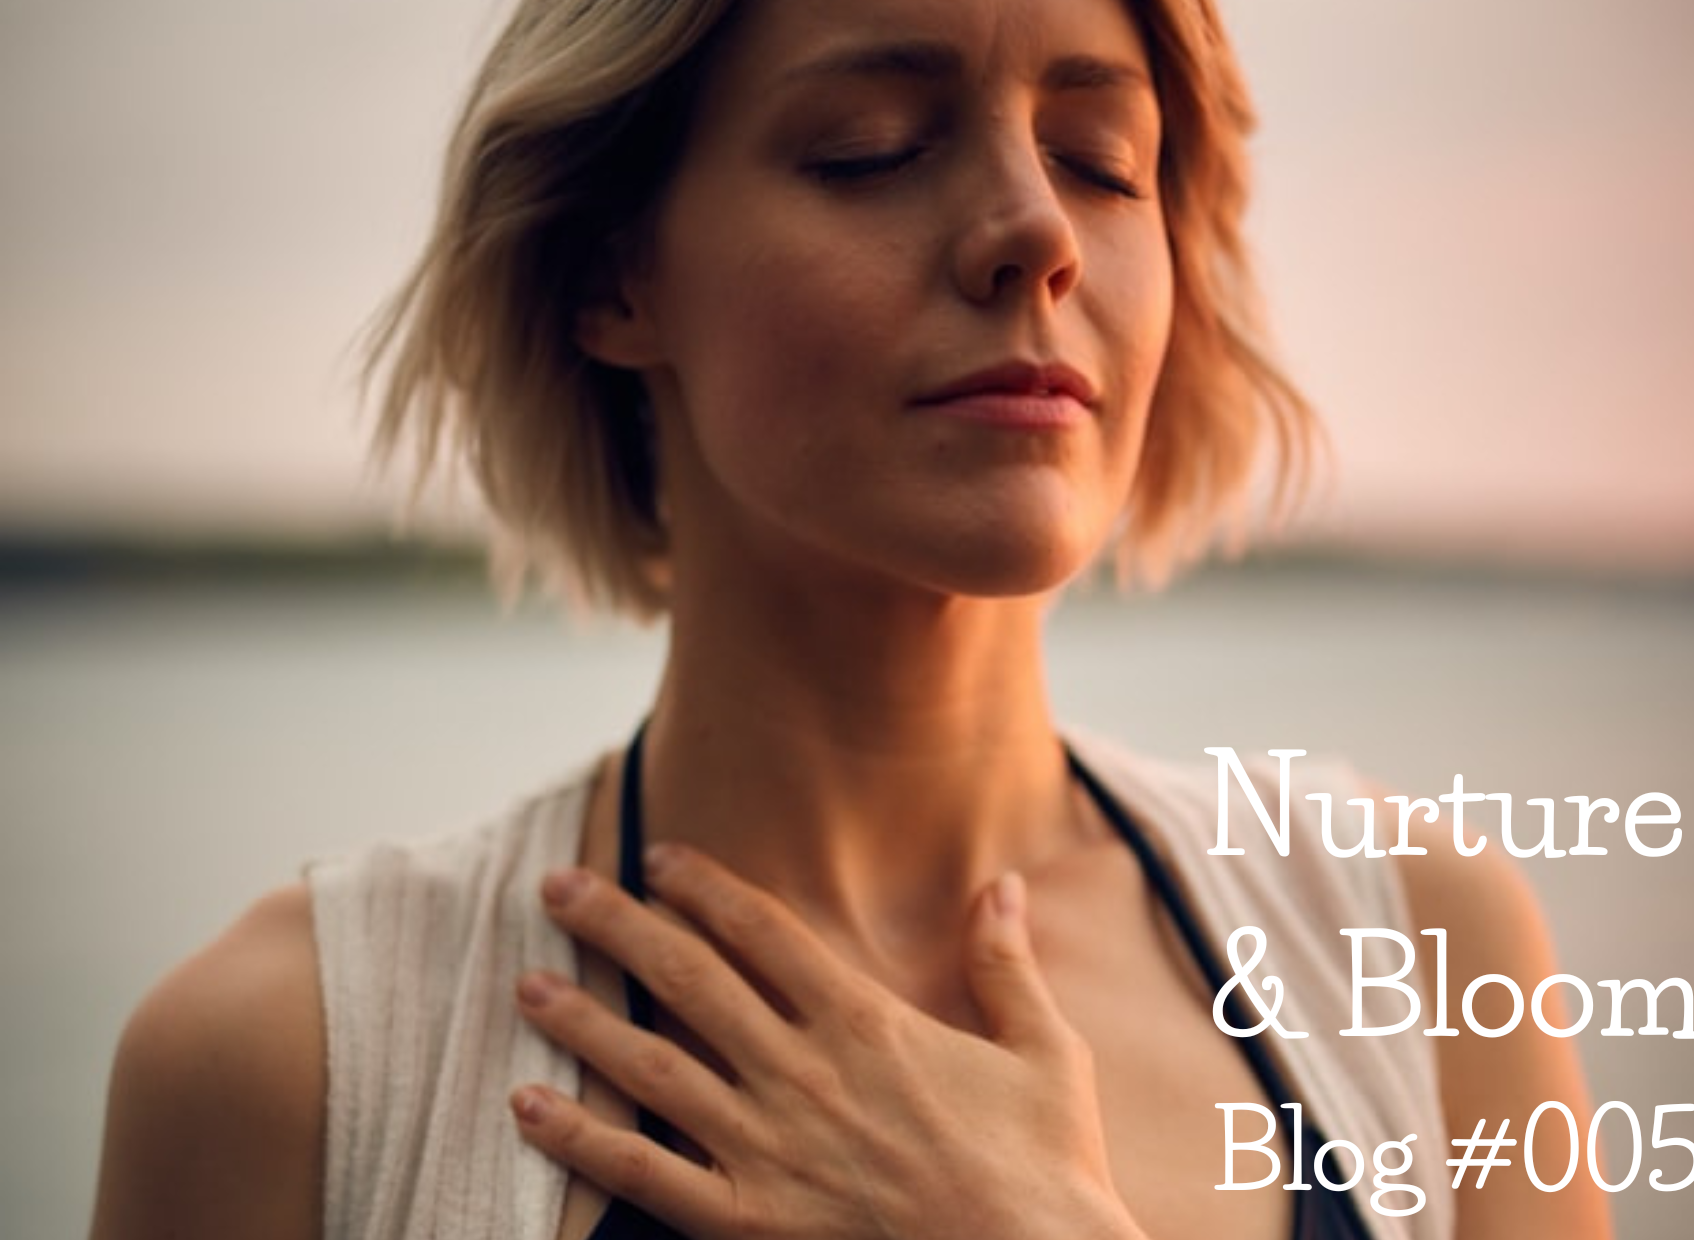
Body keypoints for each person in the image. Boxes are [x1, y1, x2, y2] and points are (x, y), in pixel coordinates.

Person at [88, 0, 1610, 1237]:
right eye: (871, 149)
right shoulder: (291, 1063)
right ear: (616, 273)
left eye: (1098, 157)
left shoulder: (1414, 945)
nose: (1034, 229)